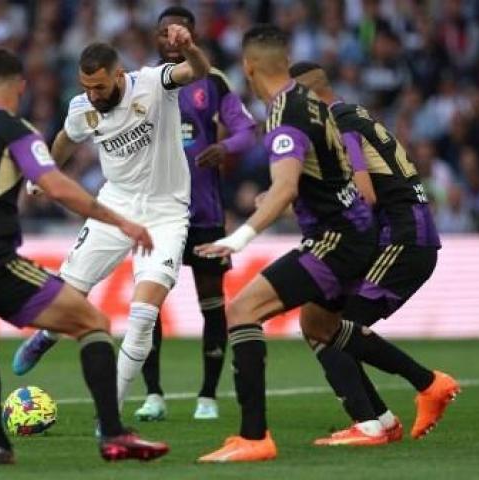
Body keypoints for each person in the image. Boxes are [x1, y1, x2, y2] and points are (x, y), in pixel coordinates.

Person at [195, 25, 457, 463]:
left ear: (249, 67)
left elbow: (350, 192)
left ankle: (262, 436)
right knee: (320, 324)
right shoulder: (323, 110)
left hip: (372, 236)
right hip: (367, 233)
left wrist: (242, 233)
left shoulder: (298, 114)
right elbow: (317, 184)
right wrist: (284, 197)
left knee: (256, 312)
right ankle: (416, 392)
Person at [0, 47, 169, 465]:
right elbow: (57, 186)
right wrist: (122, 222)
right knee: (93, 322)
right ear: (20, 87)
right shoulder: (15, 129)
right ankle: (113, 435)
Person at [11, 26, 211, 416]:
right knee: (66, 298)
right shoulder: (82, 108)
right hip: (114, 209)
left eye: (99, 87)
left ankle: (110, 417)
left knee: (141, 318)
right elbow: (67, 140)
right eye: (87, 86)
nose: (93, 95)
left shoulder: (153, 83)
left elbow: (198, 72)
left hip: (166, 214)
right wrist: (45, 172)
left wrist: (190, 48)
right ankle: (47, 335)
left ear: (119, 75)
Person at [290, 62, 458, 445]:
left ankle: (421, 389)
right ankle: (379, 420)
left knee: (334, 327)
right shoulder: (356, 115)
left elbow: (363, 193)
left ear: (309, 96)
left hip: (402, 235)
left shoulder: (341, 123)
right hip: (400, 232)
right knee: (315, 320)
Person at [135, 6, 257, 422]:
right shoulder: (140, 82)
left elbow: (246, 130)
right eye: (165, 33)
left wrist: (226, 148)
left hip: (204, 213)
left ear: (192, 37)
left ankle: (208, 395)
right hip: (156, 214)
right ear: (155, 38)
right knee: (148, 306)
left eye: (180, 33)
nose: (172, 40)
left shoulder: (213, 81)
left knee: (212, 306)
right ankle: (154, 394)